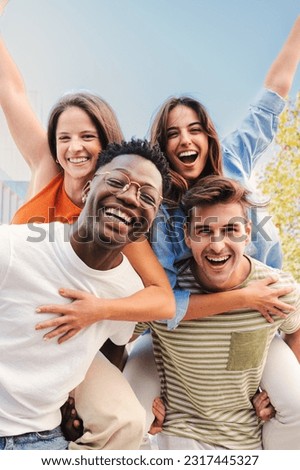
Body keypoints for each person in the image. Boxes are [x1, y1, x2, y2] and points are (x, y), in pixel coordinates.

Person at [0, 138, 173, 451]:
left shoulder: (128, 291)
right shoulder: (13, 247)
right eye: (118, 181)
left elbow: (115, 346)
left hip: (43, 441)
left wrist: (87, 404)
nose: (130, 197)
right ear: (89, 187)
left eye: (147, 195)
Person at [134, 175, 300, 450]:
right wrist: (136, 410)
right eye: (204, 231)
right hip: (174, 437)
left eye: (231, 229)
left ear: (247, 232)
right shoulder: (164, 294)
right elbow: (120, 339)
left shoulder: (275, 291)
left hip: (243, 442)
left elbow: (295, 330)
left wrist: (277, 395)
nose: (218, 245)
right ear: (187, 236)